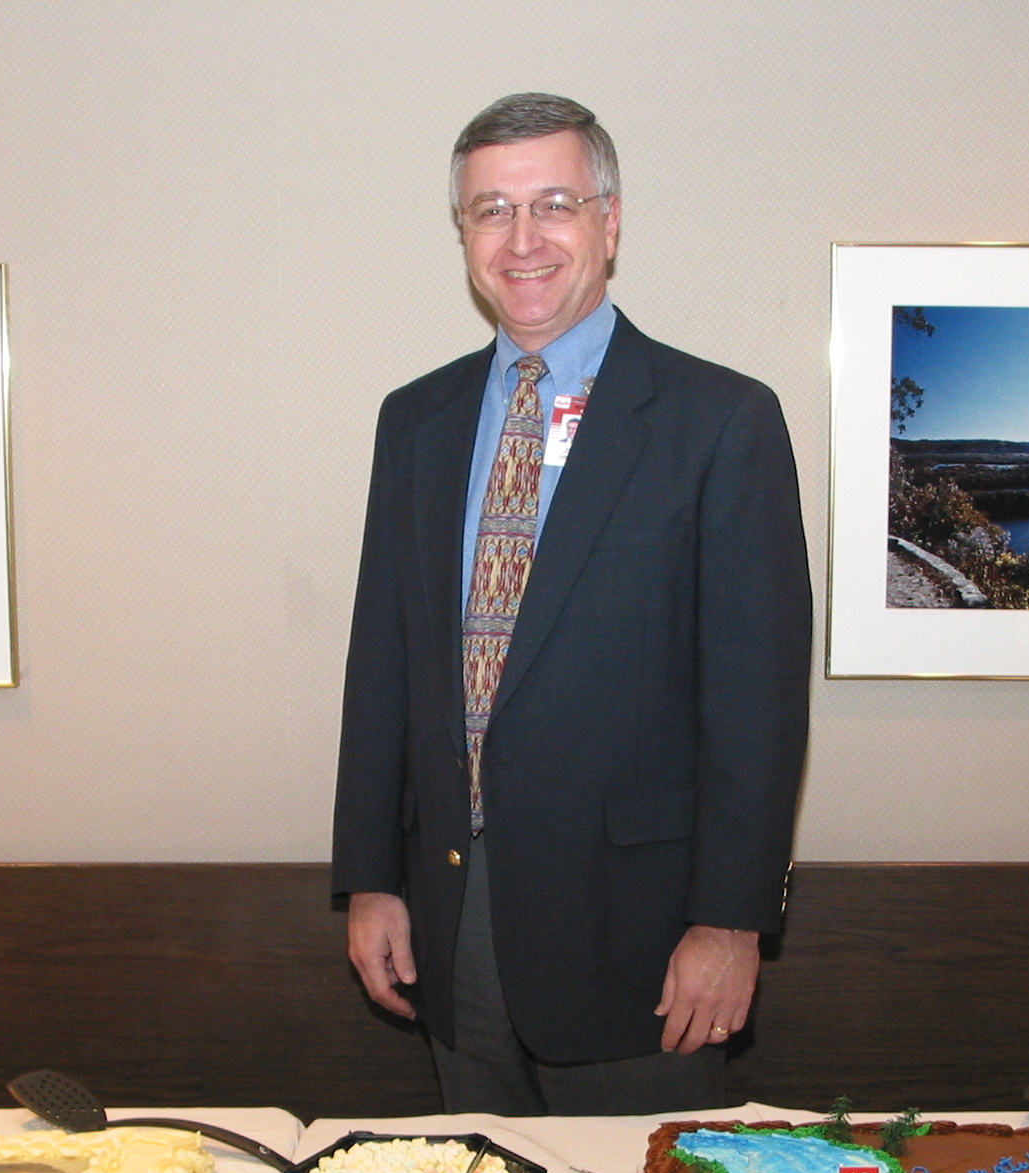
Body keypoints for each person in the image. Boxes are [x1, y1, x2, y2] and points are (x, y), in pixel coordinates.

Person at [333, 93, 811, 1117]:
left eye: (553, 203)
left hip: (642, 932)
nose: (522, 240)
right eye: (490, 210)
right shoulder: (415, 422)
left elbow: (758, 704)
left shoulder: (720, 420)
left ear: (610, 220)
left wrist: (731, 922)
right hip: (451, 917)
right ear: (463, 231)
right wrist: (370, 877)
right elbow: (383, 663)